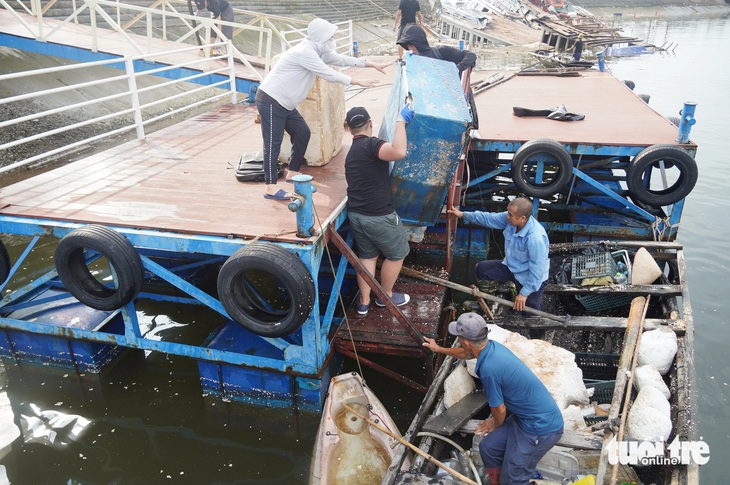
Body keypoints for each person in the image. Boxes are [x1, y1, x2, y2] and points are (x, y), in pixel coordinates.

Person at [422, 312, 564, 485]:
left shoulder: (489, 368)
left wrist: (494, 424)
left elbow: (499, 409)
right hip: (523, 419)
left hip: (540, 428)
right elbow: (467, 354)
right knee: (488, 448)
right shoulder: (490, 347)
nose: (459, 341)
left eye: (459, 338)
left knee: (512, 480)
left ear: (466, 341)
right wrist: (438, 349)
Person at [256, 19, 390, 200]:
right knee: (273, 143)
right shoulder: (305, 52)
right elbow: (329, 74)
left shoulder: (317, 50)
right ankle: (270, 187)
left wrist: (370, 64)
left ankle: (293, 173)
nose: (332, 40)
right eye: (330, 37)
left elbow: (341, 60)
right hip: (271, 100)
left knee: (302, 132)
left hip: (285, 104)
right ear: (321, 38)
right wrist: (357, 81)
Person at [344, 104, 414, 315]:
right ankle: (386, 296)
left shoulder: (352, 151)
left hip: (356, 215)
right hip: (379, 216)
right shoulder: (371, 144)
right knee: (398, 253)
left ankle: (364, 302)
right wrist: (401, 121)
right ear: (370, 124)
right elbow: (398, 152)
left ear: (349, 129)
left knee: (368, 256)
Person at [447, 197, 549, 312]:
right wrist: (462, 214)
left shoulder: (535, 238)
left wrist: (524, 294)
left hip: (530, 276)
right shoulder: (511, 219)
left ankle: (535, 327)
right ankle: (487, 302)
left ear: (522, 218)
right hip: (512, 267)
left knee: (530, 313)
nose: (507, 216)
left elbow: (537, 270)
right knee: (482, 269)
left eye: (510, 214)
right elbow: (488, 218)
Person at [396, 23, 479, 128]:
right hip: (427, 107)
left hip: (448, 103)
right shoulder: (410, 63)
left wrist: (456, 69)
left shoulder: (441, 52)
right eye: (408, 46)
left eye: (412, 45)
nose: (411, 49)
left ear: (419, 43)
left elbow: (470, 55)